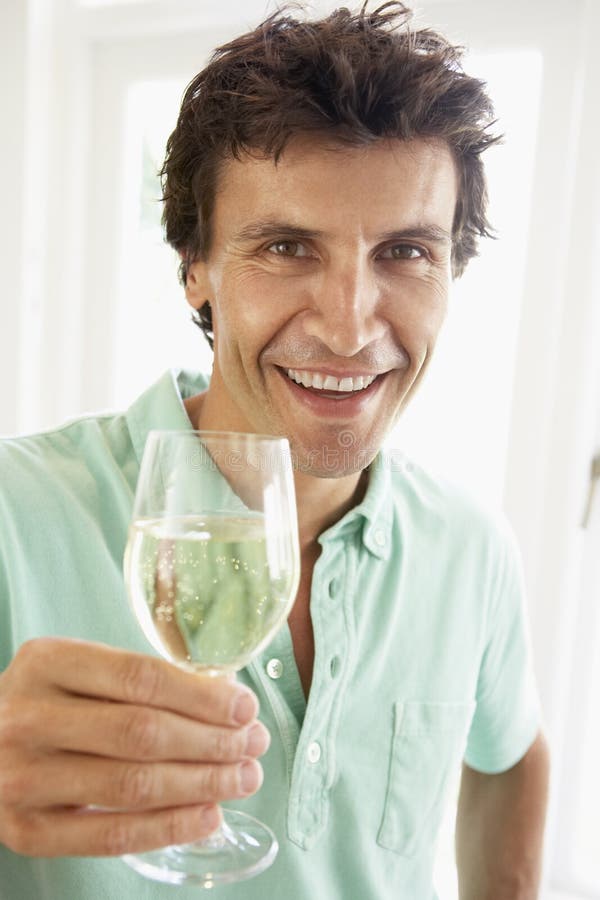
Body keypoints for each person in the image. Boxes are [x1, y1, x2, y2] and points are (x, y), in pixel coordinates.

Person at [0, 3, 549, 898]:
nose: (347, 324)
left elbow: (512, 753)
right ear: (195, 266)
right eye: (286, 246)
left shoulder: (473, 544)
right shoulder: (13, 512)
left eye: (406, 251)